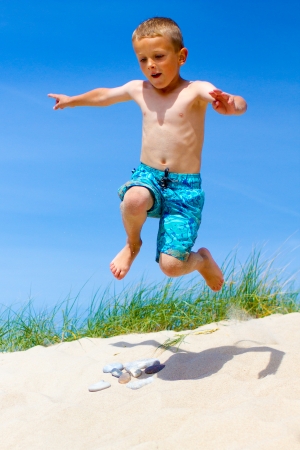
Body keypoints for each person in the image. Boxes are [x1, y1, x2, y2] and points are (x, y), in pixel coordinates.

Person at [48, 17, 247, 292]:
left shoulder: (196, 90)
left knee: (171, 266)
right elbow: (105, 95)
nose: (150, 65)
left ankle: (201, 262)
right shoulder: (139, 90)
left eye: (158, 56)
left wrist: (232, 105)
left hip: (184, 189)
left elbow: (238, 101)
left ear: (181, 57)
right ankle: (133, 244)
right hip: (149, 176)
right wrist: (73, 100)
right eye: (142, 59)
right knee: (134, 199)